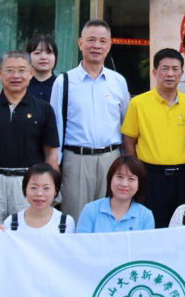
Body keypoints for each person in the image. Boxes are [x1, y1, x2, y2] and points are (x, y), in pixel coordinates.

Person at [0, 51, 60, 229]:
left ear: (31, 73)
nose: (16, 75)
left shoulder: (44, 109)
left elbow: (51, 153)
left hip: (29, 182)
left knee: (26, 234)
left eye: (22, 70)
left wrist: (51, 189)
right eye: (9, 70)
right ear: (0, 74)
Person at [50, 19, 130, 224]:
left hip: (111, 159)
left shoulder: (118, 81)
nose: (97, 46)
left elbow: (125, 126)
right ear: (80, 43)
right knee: (75, 220)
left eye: (102, 41)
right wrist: (55, 165)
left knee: (109, 219)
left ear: (109, 45)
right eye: (91, 40)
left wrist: (125, 163)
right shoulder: (64, 82)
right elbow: (55, 127)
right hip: (76, 161)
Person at [121, 48, 185, 226]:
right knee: (152, 227)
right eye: (165, 68)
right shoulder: (138, 103)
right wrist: (137, 172)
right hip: (150, 177)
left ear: (181, 73)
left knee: (182, 226)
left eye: (175, 69)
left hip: (182, 177)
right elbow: (129, 141)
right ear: (155, 72)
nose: (170, 74)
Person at [75, 156, 155, 233]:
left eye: (131, 179)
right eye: (120, 177)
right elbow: (81, 242)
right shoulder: (90, 210)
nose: (124, 184)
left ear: (139, 184)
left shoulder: (146, 216)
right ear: (110, 179)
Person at [0, 164, 76, 233]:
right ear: (25, 189)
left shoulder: (66, 222)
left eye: (46, 188)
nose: (39, 194)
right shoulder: (11, 222)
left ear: (55, 191)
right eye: (33, 188)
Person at [26, 33, 58, 104]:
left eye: (48, 52)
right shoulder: (22, 85)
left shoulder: (61, 85)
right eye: (37, 53)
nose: (43, 57)